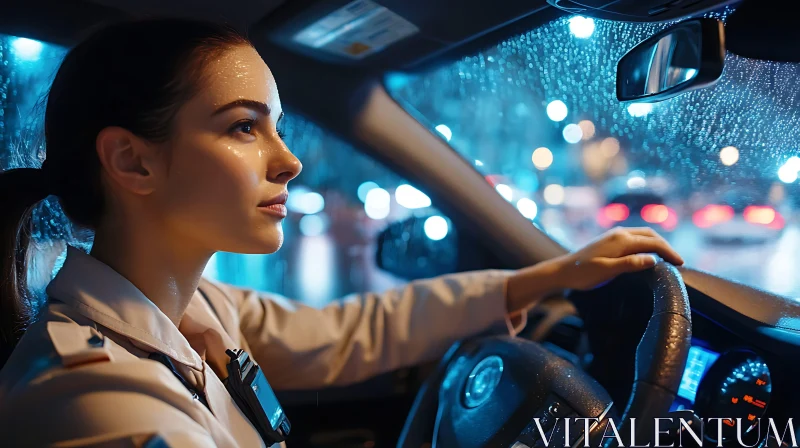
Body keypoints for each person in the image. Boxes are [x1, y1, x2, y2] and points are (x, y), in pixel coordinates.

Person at [0, 19, 684, 447]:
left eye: (277, 126)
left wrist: (547, 275)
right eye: (244, 126)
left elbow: (350, 332)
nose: (289, 160)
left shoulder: (190, 309)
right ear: (132, 160)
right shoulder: (92, 402)